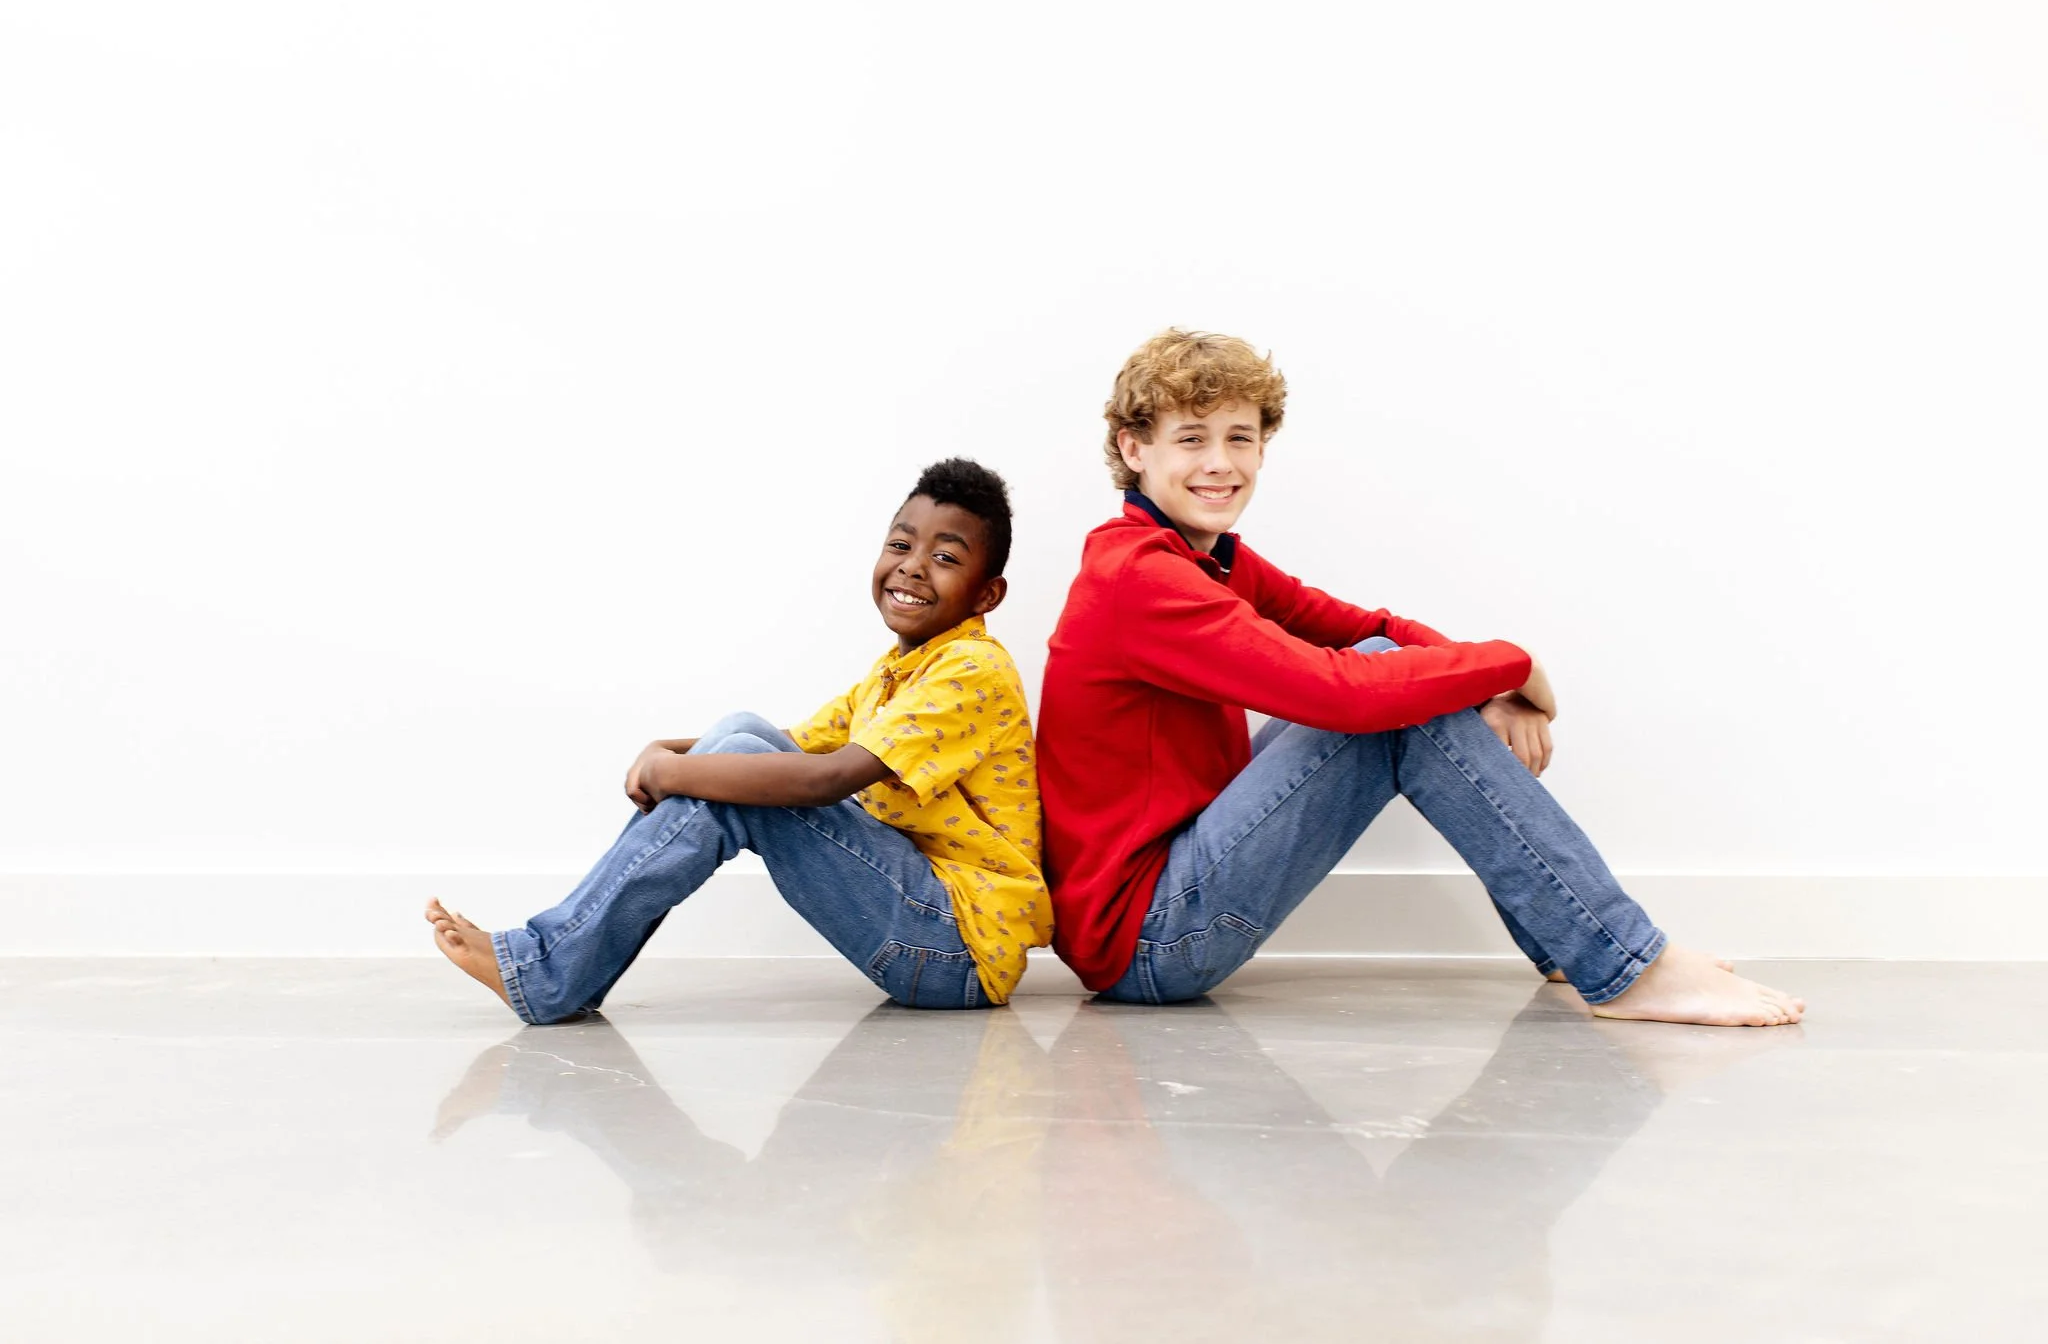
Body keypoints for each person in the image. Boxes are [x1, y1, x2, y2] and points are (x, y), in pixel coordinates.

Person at [1036, 329, 1804, 1026]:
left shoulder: (1205, 558)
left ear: (1264, 448)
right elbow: (1338, 690)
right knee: (1379, 691)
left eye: (1240, 437)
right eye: (1191, 439)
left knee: (1395, 676)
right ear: (1134, 448)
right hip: (1146, 939)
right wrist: (1516, 662)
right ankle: (1627, 964)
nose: (1220, 462)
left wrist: (1485, 689)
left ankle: (1580, 945)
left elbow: (1366, 626)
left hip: (1170, 896)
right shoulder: (1138, 577)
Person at [428, 458, 1051, 1021]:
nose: (913, 566)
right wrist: (669, 749)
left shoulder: (972, 669)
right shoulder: (897, 673)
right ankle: (565, 969)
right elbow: (791, 742)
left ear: (986, 593)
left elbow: (826, 778)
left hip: (955, 948)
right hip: (925, 922)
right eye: (900, 544)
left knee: (741, 761)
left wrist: (672, 774)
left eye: (946, 558)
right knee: (741, 732)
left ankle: (549, 968)